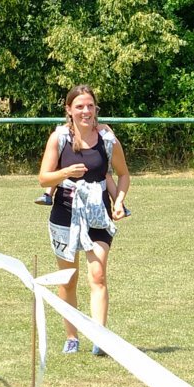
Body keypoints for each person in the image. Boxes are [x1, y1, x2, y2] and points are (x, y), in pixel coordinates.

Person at [38, 84, 130, 356]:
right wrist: (66, 171)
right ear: (69, 110)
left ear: (95, 108)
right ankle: (71, 336)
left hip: (98, 213)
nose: (85, 111)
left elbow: (123, 174)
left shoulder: (107, 138)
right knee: (68, 280)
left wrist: (120, 201)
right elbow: (44, 177)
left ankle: (99, 337)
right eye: (79, 106)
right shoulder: (59, 138)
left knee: (98, 275)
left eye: (90, 105)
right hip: (65, 211)